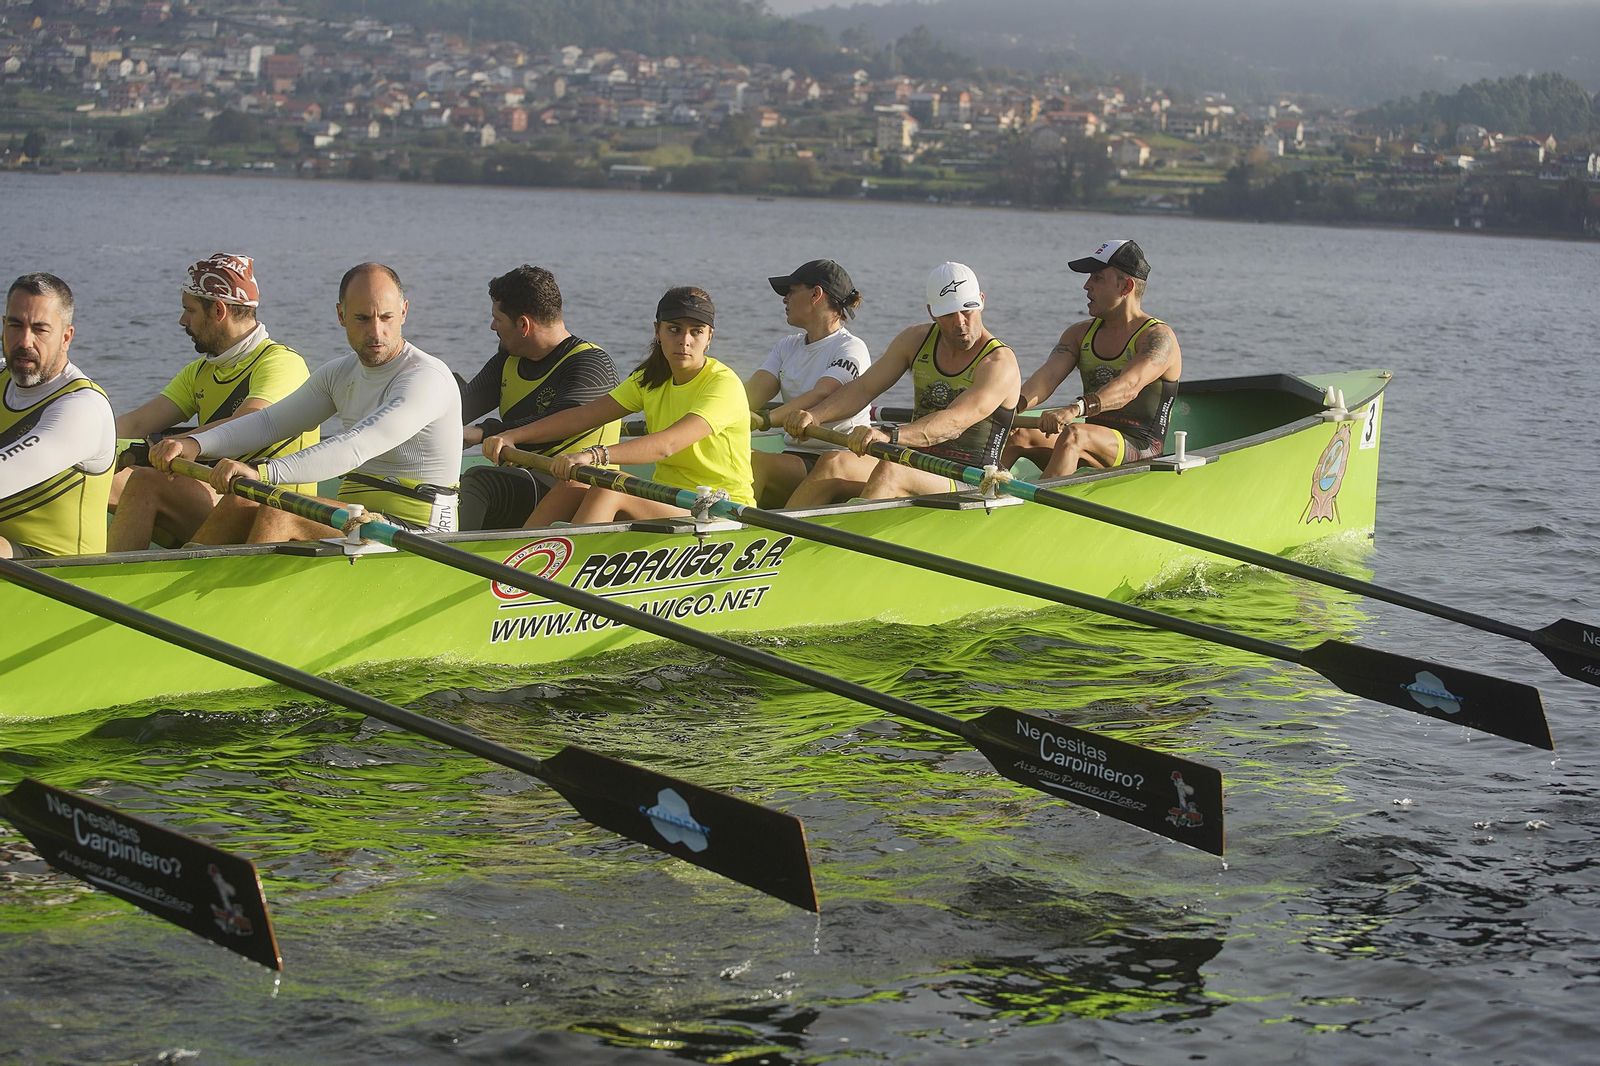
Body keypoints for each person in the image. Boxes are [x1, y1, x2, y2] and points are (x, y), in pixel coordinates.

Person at [149, 263, 463, 542]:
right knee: (241, 500)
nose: (376, 331)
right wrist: (195, 444)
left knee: (279, 510)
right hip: (357, 517)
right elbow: (269, 422)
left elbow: (356, 446)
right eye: (362, 318)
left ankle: (233, 589)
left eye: (386, 317)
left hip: (421, 534)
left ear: (404, 312)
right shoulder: (339, 373)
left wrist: (261, 473)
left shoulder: (427, 378)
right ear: (341, 315)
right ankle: (194, 584)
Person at [481, 286, 753, 526]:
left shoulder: (723, 385)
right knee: (574, 483)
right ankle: (515, 559)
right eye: (674, 329)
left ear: (709, 337)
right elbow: (583, 416)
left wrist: (594, 455)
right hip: (667, 498)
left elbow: (666, 445)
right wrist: (512, 436)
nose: (685, 341)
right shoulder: (650, 378)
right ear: (657, 331)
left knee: (608, 487)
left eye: (696, 332)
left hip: (720, 510)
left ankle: (569, 563)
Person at [108, 254, 318, 551]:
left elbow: (250, 422)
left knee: (145, 480)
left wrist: (186, 443)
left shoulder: (282, 364)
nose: (182, 320)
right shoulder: (199, 372)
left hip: (275, 513)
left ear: (218, 310)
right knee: (101, 477)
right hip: (224, 500)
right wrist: (76, 442)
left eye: (189, 310)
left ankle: (119, 575)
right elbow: (136, 423)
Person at [784, 262, 1020, 505]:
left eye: (967, 309)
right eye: (948, 314)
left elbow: (954, 423)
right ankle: (781, 529)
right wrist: (815, 415)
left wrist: (889, 435)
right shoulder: (915, 340)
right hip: (917, 465)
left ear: (981, 301)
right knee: (833, 462)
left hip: (971, 480)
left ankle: (850, 527)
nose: (960, 323)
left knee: (892, 470)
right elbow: (863, 388)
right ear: (932, 312)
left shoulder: (999, 363)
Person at [457, 264, 621, 529]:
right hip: (527, 482)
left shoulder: (592, 364)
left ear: (523, 324)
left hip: (578, 489)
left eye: (498, 319)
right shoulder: (508, 360)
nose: (492, 326)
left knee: (479, 480)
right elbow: (458, 408)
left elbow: (563, 421)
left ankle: (452, 554)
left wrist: (484, 432)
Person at [1002, 240, 1181, 477]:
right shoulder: (1079, 333)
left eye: (1098, 278)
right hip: (1094, 442)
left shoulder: (1158, 338)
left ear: (1126, 286)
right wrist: (1013, 407)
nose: (1087, 285)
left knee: (1075, 435)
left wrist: (1075, 409)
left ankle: (1039, 500)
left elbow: (1129, 386)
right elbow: (1048, 376)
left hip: (1141, 449)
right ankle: (980, 491)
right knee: (1017, 433)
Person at [0, 273, 117, 558]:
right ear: (3, 326)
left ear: (66, 338)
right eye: (15, 325)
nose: (25, 341)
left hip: (59, 571)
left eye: (40, 330)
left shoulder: (83, 409)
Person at [743, 259, 872, 508]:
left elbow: (822, 394)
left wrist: (766, 420)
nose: (785, 299)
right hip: (797, 458)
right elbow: (753, 391)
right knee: (735, 456)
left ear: (816, 294)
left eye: (791, 291)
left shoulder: (850, 348)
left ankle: (738, 526)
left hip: (841, 458)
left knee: (754, 462)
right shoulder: (786, 346)